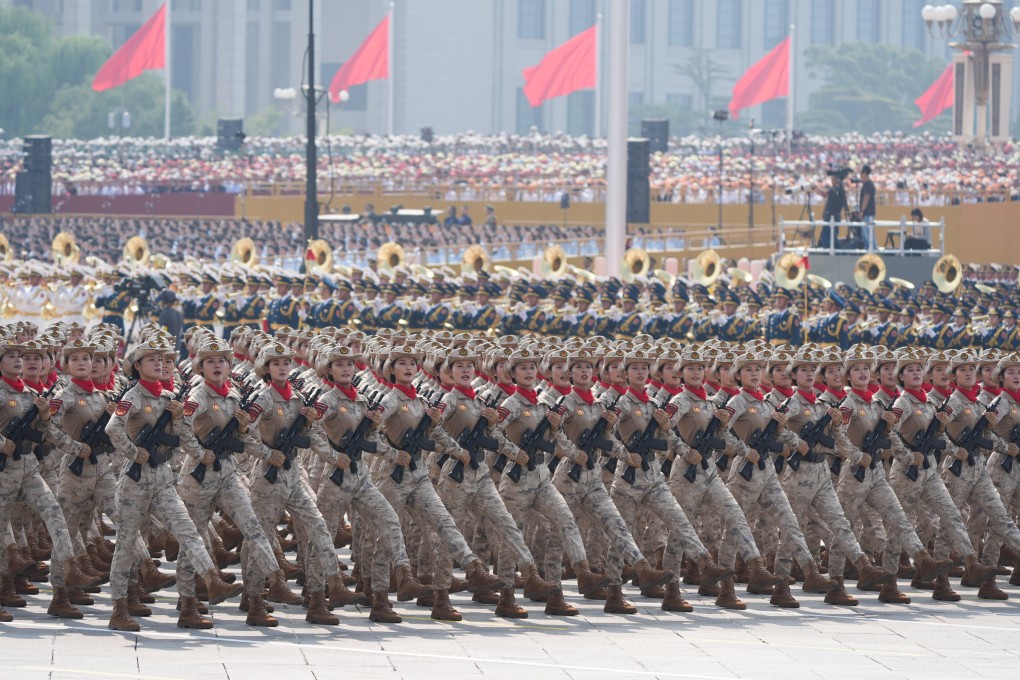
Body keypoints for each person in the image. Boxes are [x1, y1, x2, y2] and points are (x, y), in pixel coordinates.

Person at [818, 173, 848, 249]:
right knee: (832, 234)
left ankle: (831, 248)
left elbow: (825, 194)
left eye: (833, 179)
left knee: (828, 235)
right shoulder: (840, 189)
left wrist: (816, 189)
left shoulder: (835, 189)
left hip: (831, 216)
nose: (832, 181)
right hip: (835, 216)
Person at [858, 165, 877, 250]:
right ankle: (872, 250)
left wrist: (862, 211)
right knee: (868, 233)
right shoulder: (867, 184)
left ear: (865, 173)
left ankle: (871, 251)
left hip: (867, 213)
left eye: (862, 172)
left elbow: (866, 197)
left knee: (867, 234)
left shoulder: (868, 184)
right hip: (868, 213)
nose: (860, 174)